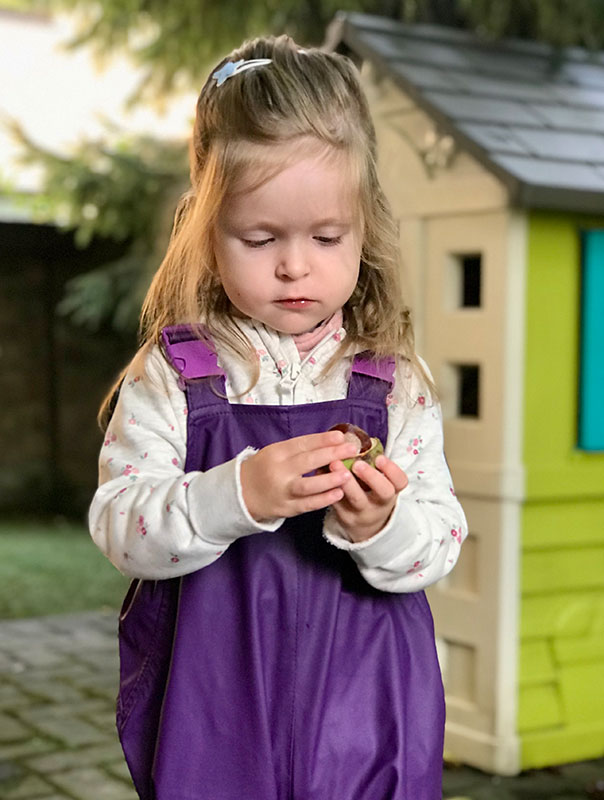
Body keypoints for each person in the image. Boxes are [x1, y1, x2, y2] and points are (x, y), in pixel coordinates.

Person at [89, 34, 467, 800]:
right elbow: (120, 528)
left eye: (327, 237)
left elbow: (442, 544)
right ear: (206, 226)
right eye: (259, 238)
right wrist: (236, 497)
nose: (296, 265)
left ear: (365, 228)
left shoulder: (394, 383)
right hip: (214, 719)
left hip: (370, 719)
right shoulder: (174, 375)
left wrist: (383, 526)